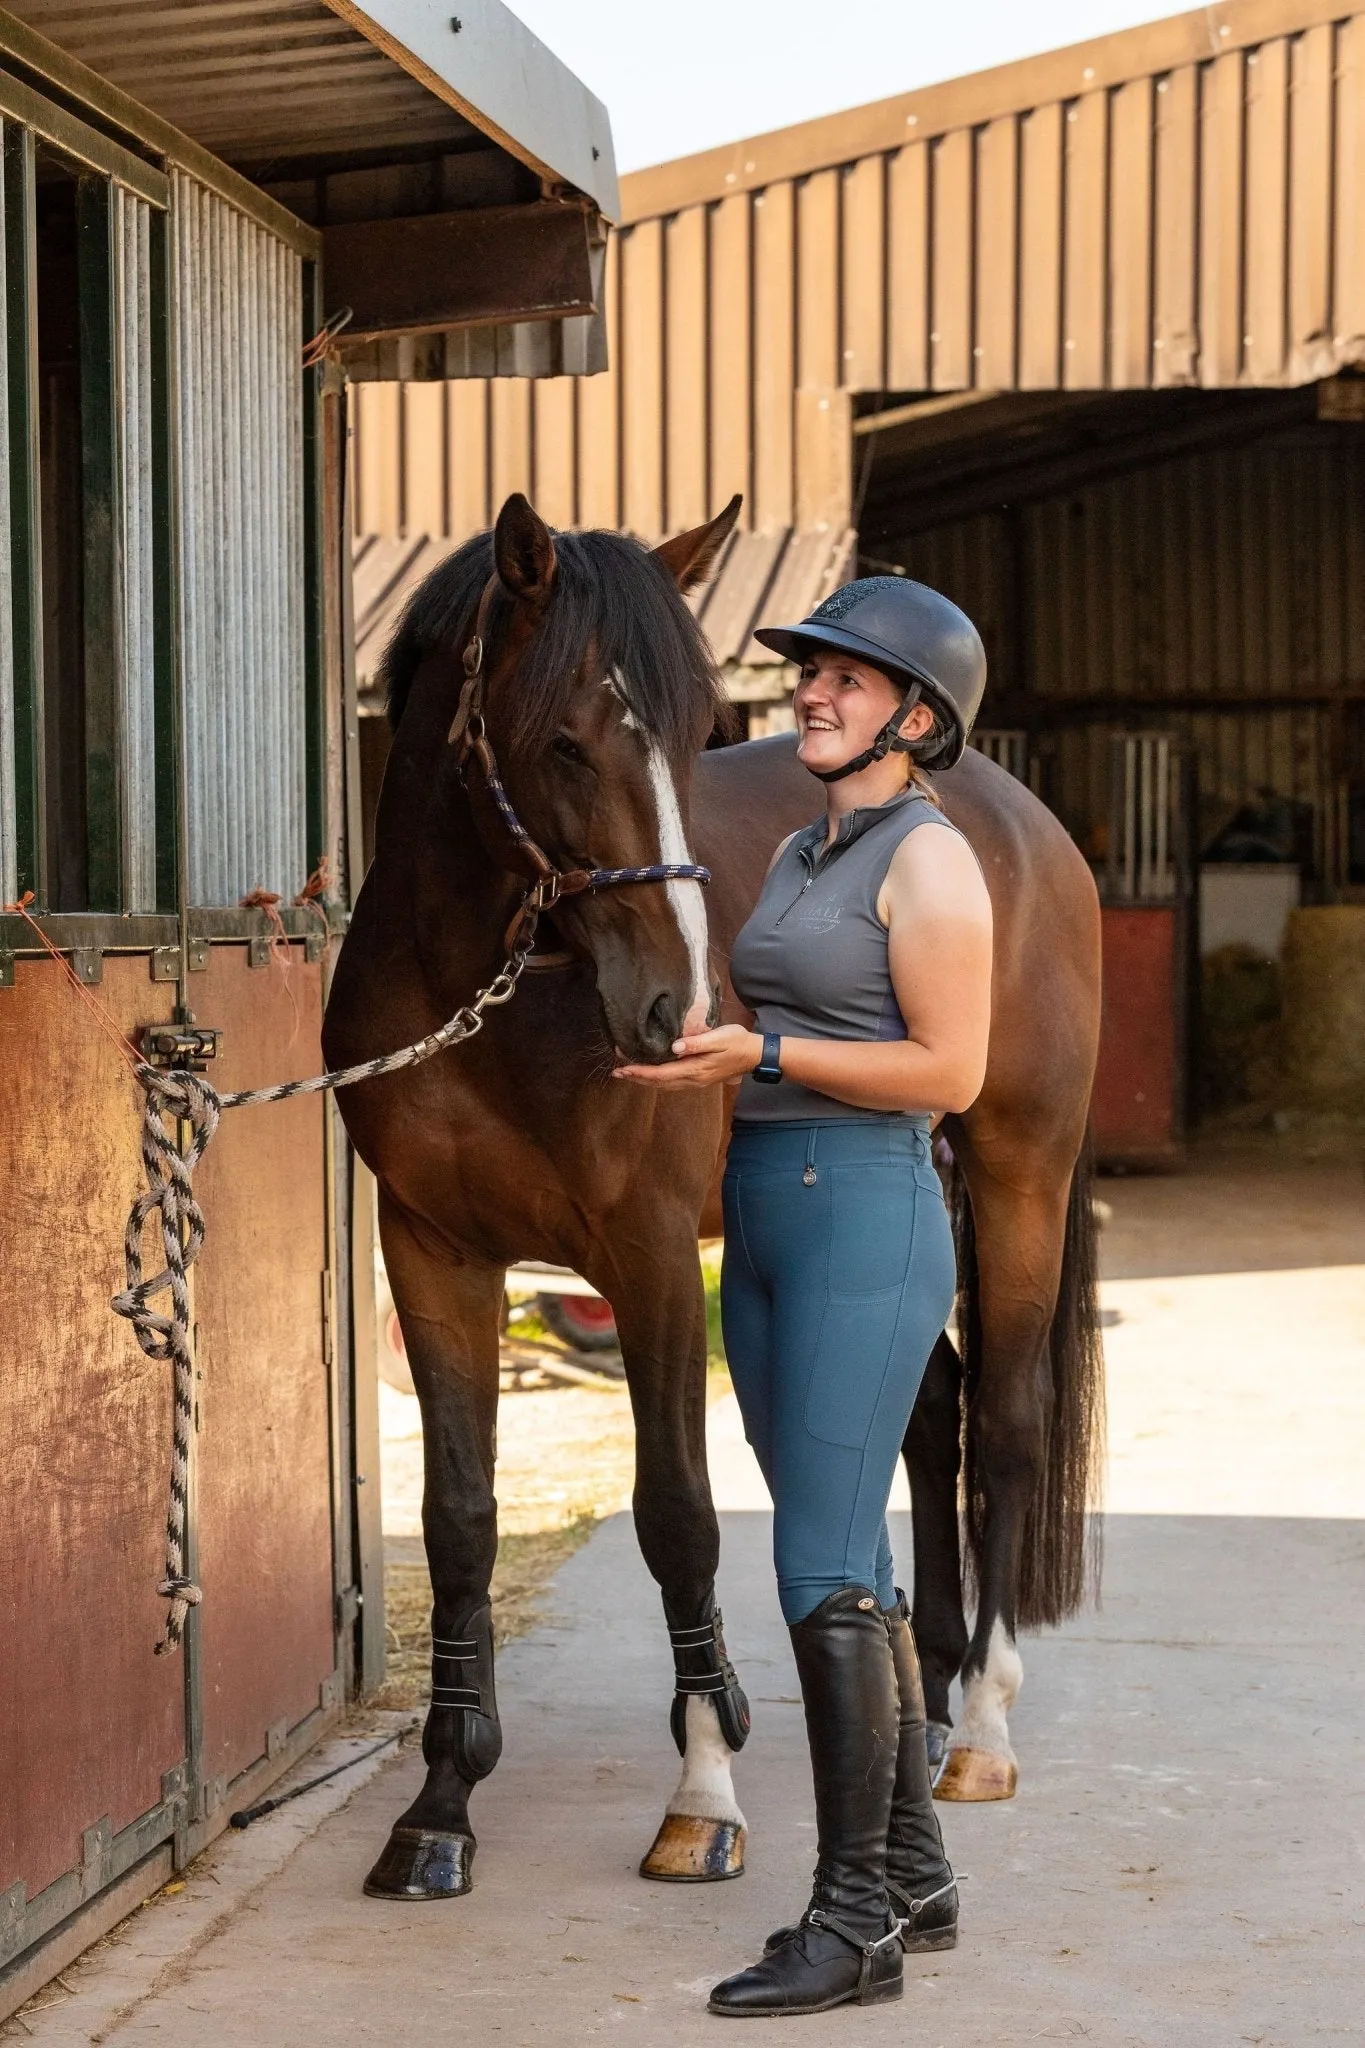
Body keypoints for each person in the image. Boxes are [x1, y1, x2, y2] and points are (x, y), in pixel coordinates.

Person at [615, 577, 993, 2018]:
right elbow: (774, 1025)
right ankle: (919, 1871)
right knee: (840, 1551)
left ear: (917, 714)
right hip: (767, 1221)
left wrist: (760, 1059)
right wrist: (703, 1050)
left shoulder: (930, 862)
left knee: (821, 1568)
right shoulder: (794, 854)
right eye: (810, 676)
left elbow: (949, 1074)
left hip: (865, 1214)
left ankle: (852, 1930)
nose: (809, 697)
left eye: (844, 680)